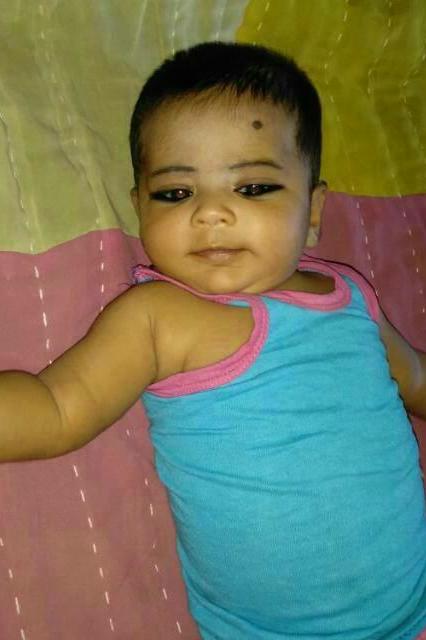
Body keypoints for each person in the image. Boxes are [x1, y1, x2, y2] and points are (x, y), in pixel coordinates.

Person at [1, 41, 426, 640]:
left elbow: (416, 380)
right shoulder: (161, 317)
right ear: (140, 212)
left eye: (253, 188)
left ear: (313, 212)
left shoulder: (351, 297)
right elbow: (55, 409)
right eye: (176, 194)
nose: (211, 214)